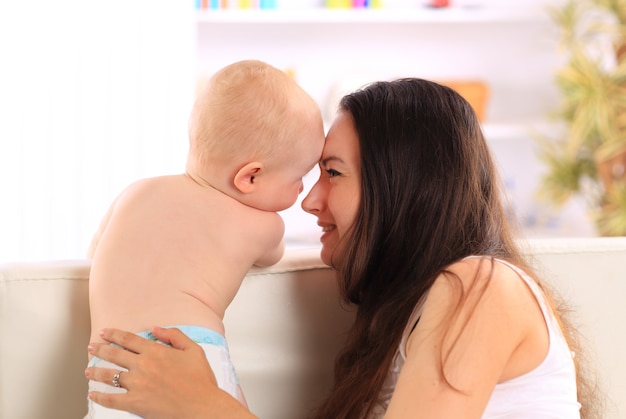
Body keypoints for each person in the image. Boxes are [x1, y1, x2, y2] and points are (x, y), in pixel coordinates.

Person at [85, 78, 600, 418]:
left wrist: (202, 404)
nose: (309, 201)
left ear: (402, 186)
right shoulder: (402, 316)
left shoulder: (480, 287)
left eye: (332, 173)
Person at [85, 59, 325, 416]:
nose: (303, 192)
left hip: (111, 363)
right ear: (250, 178)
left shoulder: (135, 193)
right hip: (191, 354)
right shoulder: (263, 225)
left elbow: (95, 252)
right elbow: (272, 257)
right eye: (299, 178)